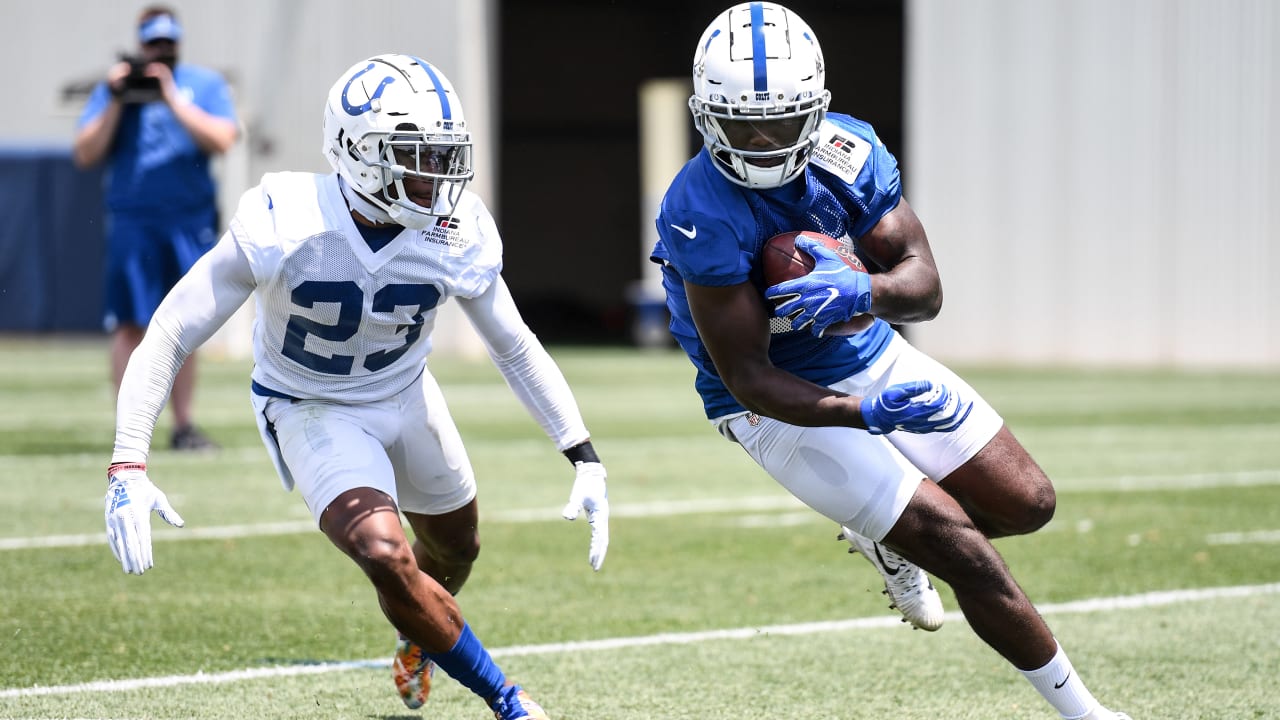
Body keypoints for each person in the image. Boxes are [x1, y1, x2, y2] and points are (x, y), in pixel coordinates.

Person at [650, 4, 1130, 719]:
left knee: (1028, 504)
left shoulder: (848, 153)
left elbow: (925, 289)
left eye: (779, 123)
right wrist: (861, 414)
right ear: (704, 115)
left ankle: (886, 537)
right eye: (739, 123)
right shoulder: (698, 208)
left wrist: (865, 289)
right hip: (768, 402)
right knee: (960, 546)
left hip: (867, 352)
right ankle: (1086, 712)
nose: (757, 141)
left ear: (814, 112)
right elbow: (745, 374)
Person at [100, 53, 613, 720]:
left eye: (441, 154)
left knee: (457, 546)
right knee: (383, 550)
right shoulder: (285, 217)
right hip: (310, 404)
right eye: (413, 154)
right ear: (357, 153)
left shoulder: (455, 228)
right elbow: (170, 330)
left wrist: (583, 454)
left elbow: (513, 346)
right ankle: (508, 700)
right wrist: (127, 464)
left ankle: (415, 635)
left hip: (405, 391)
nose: (434, 174)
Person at [74, 5, 238, 451]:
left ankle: (183, 425)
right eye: (153, 44)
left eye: (168, 44)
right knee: (130, 324)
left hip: (189, 222)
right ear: (141, 43)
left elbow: (224, 138)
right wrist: (113, 98)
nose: (160, 53)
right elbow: (85, 153)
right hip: (134, 222)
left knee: (185, 325)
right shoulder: (117, 89)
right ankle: (128, 429)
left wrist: (172, 98)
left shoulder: (201, 84)